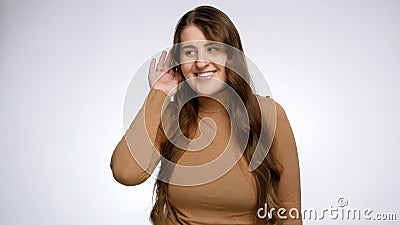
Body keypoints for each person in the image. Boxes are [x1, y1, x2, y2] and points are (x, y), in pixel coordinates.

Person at [111, 5, 302, 225]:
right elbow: (125, 172)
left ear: (231, 55)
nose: (201, 63)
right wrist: (158, 93)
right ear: (179, 62)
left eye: (212, 49)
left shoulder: (269, 115)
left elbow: (289, 211)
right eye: (190, 52)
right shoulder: (172, 117)